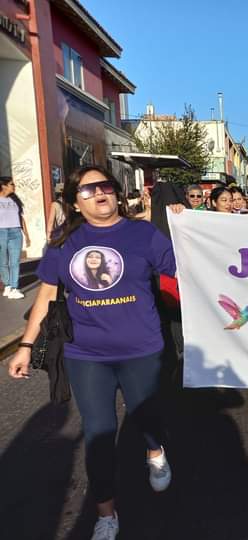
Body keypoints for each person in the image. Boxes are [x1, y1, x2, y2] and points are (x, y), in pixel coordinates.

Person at [7, 166, 175, 540]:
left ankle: (154, 450)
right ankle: (106, 514)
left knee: (146, 417)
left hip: (142, 349)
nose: (99, 193)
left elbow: (184, 269)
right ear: (75, 202)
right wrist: (25, 345)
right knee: (100, 432)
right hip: (86, 354)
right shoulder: (65, 242)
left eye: (105, 186)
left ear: (116, 193)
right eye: (88, 190)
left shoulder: (143, 234)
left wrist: (183, 221)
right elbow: (48, 295)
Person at [1, 176, 31, 299]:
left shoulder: (15, 200)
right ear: (4, 186)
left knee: (14, 262)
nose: (14, 186)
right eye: (12, 184)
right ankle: (7, 285)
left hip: (16, 232)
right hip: (1, 232)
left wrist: (27, 235)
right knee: (2, 261)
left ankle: (14, 287)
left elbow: (21, 218)